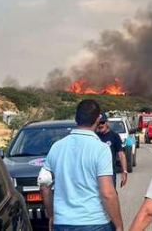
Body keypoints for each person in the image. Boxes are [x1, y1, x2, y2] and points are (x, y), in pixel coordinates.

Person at [38, 99, 124, 231]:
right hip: (95, 223)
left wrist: (51, 216)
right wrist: (119, 225)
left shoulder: (57, 147)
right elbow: (107, 193)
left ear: (76, 118)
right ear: (97, 119)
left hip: (62, 223)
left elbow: (44, 184)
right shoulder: (101, 149)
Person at [96, 113, 128, 189]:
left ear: (107, 123)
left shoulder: (114, 136)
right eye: (98, 123)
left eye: (102, 123)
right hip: (96, 172)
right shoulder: (95, 136)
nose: (100, 125)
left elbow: (121, 154)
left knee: (110, 195)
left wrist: (124, 171)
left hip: (109, 172)